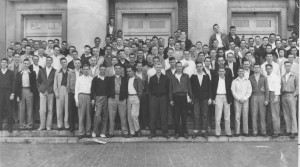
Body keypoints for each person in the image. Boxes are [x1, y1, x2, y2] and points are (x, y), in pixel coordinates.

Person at [169, 62, 193, 139]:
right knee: (176, 116)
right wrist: (171, 99)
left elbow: (189, 87)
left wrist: (191, 96)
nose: (179, 68)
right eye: (178, 66)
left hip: (184, 97)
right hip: (176, 97)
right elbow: (170, 89)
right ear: (175, 67)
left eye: (180, 66)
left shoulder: (186, 76)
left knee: (184, 115)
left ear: (182, 67)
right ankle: (177, 132)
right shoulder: (172, 77)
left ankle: (185, 132)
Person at [107, 64, 129, 138]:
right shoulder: (110, 79)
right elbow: (107, 88)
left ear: (121, 69)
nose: (117, 70)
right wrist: (110, 96)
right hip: (112, 98)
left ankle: (125, 131)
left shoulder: (124, 79)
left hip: (122, 99)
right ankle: (111, 132)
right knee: (111, 116)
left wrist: (124, 96)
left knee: (123, 116)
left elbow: (127, 89)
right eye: (116, 68)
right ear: (114, 69)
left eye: (118, 68)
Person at [148, 63, 170, 138]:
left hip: (163, 98)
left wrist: (167, 98)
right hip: (154, 98)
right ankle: (152, 132)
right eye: (157, 67)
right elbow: (150, 89)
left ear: (161, 68)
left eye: (159, 67)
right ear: (155, 68)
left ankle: (165, 132)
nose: (158, 68)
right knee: (153, 115)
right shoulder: (152, 78)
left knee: (164, 115)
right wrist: (151, 99)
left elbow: (168, 89)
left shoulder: (165, 78)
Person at [190, 62, 212, 139]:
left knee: (205, 115)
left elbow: (209, 88)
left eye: (200, 66)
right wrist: (191, 97)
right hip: (196, 99)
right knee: (196, 114)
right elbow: (191, 88)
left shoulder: (206, 76)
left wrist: (210, 98)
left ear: (202, 67)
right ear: (196, 67)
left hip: (205, 98)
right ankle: (195, 131)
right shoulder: (193, 77)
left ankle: (204, 131)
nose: (199, 68)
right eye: (198, 66)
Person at [15, 58, 36, 130]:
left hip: (29, 90)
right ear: (23, 64)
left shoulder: (32, 73)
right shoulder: (19, 73)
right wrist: (17, 95)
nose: (26, 65)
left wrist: (33, 92)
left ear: (29, 64)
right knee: (22, 108)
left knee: (30, 109)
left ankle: (29, 124)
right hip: (21, 91)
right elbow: (17, 85)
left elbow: (34, 84)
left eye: (27, 64)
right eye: (25, 63)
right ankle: (22, 124)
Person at [212, 66, 233, 137]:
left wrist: (230, 99)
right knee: (218, 116)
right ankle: (217, 132)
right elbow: (212, 89)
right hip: (218, 97)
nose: (221, 72)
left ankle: (228, 132)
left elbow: (231, 90)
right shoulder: (215, 79)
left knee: (227, 116)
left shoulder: (228, 79)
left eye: (222, 71)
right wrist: (213, 99)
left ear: (225, 72)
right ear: (218, 72)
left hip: (226, 97)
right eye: (220, 71)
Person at [249, 64, 269, 137]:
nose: (256, 69)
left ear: (260, 68)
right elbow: (249, 89)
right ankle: (255, 132)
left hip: (262, 96)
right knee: (254, 114)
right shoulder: (250, 78)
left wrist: (267, 99)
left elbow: (267, 89)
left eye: (258, 67)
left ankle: (263, 132)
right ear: (253, 69)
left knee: (262, 115)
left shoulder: (263, 77)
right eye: (255, 67)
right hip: (253, 96)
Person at [37, 56, 56, 131]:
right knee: (42, 110)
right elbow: (38, 81)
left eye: (50, 60)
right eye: (47, 60)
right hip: (42, 91)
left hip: (51, 91)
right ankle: (42, 126)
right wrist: (40, 88)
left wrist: (52, 89)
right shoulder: (41, 70)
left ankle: (48, 126)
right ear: (46, 61)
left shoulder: (55, 71)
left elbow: (55, 82)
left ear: (52, 62)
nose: (48, 61)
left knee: (50, 109)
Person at [231, 67, 252, 137]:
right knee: (237, 116)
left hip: (245, 100)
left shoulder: (247, 81)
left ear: (244, 72)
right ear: (237, 72)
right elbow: (233, 91)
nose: (241, 73)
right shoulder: (234, 81)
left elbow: (249, 91)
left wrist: (244, 98)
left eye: (242, 71)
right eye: (239, 71)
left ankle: (245, 131)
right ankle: (237, 132)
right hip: (237, 100)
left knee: (245, 116)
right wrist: (239, 98)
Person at [75, 64, 93, 139]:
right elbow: (76, 90)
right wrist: (76, 100)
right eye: (84, 69)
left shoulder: (91, 78)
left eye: (87, 69)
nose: (86, 70)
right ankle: (81, 132)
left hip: (88, 96)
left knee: (88, 115)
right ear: (82, 70)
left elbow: (93, 90)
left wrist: (92, 99)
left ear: (89, 70)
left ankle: (88, 132)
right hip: (81, 96)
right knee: (81, 115)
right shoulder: (79, 78)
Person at [281, 61, 298, 139]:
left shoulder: (294, 75)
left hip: (291, 95)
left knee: (293, 114)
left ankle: (294, 131)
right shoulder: (283, 76)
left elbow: (298, 86)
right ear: (284, 67)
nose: (287, 67)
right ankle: (288, 130)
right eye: (286, 66)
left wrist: (294, 95)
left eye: (289, 66)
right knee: (286, 114)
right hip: (284, 95)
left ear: (291, 67)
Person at [91, 65, 109, 138]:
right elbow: (92, 90)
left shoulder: (107, 79)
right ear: (99, 70)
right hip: (98, 98)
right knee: (97, 115)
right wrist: (93, 99)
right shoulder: (95, 79)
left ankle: (103, 132)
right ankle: (95, 131)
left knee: (105, 115)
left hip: (106, 98)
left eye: (104, 69)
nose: (103, 71)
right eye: (101, 69)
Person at [126, 66, 143, 137]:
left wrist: (138, 98)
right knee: (129, 116)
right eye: (127, 71)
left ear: (133, 71)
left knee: (134, 115)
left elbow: (140, 91)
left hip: (135, 97)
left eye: (130, 71)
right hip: (129, 97)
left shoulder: (138, 79)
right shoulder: (127, 79)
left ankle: (137, 129)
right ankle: (132, 132)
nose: (128, 73)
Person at [265, 64, 281, 137]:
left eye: (270, 68)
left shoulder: (275, 77)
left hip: (274, 94)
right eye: (267, 68)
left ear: (272, 69)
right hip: (268, 94)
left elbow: (278, 86)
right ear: (265, 69)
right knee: (269, 114)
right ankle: (271, 130)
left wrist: (276, 97)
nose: (268, 69)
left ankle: (277, 131)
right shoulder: (266, 76)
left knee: (275, 114)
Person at [53, 57, 70, 131]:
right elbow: (55, 83)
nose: (63, 63)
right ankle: (59, 124)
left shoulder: (70, 71)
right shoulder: (57, 72)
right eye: (62, 62)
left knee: (67, 108)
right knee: (59, 108)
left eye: (64, 62)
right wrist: (56, 92)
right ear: (60, 63)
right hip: (60, 89)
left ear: (67, 63)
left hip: (67, 90)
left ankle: (66, 124)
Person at [67, 59, 82, 132]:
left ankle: (80, 127)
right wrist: (69, 92)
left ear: (81, 64)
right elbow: (67, 83)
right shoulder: (70, 72)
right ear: (74, 64)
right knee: (71, 111)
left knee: (80, 111)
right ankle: (72, 127)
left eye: (79, 63)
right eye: (76, 63)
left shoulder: (83, 72)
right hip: (72, 93)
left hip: (80, 94)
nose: (77, 64)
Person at [0, 58, 15, 132]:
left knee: (9, 110)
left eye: (5, 62)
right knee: (0, 109)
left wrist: (12, 93)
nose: (3, 64)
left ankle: (10, 127)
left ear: (7, 64)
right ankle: (0, 126)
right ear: (0, 63)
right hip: (0, 92)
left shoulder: (11, 72)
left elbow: (13, 84)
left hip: (9, 92)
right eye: (2, 62)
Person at [29, 55, 42, 125]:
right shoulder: (29, 67)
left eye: (37, 59)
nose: (36, 60)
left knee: (38, 103)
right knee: (31, 104)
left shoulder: (41, 67)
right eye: (34, 59)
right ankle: (31, 120)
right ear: (32, 59)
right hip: (32, 87)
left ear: (38, 60)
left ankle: (37, 119)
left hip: (39, 87)